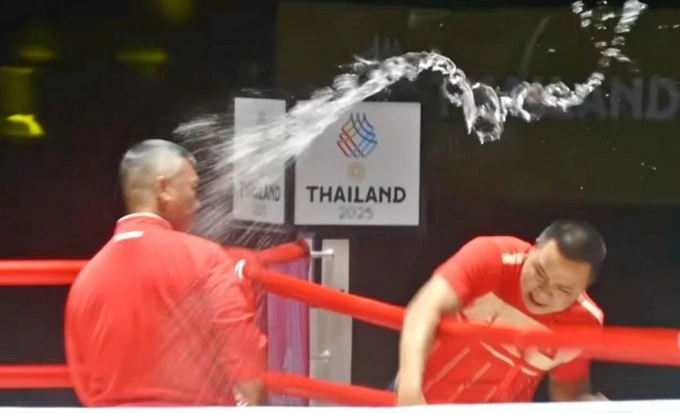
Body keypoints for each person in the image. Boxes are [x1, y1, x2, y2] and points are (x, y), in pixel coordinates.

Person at [65, 139, 267, 407]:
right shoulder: (205, 258)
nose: (197, 203)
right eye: (193, 188)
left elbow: (84, 378)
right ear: (163, 189)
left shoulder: (86, 279)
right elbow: (242, 352)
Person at [396, 220, 607, 405]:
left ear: (584, 288)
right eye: (540, 272)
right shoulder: (491, 256)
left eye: (563, 290)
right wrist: (409, 393)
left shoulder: (585, 322)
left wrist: (593, 406)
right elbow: (424, 308)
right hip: (424, 404)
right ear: (534, 248)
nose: (543, 292)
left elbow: (568, 389)